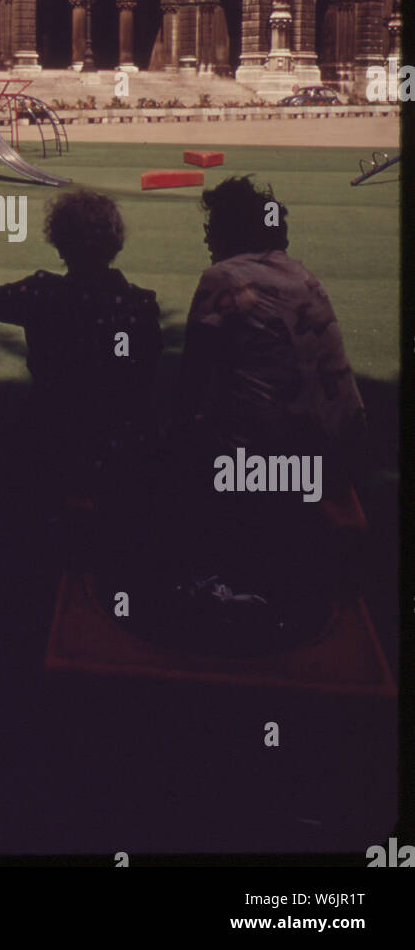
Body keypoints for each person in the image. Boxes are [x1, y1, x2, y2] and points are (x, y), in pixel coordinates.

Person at [172, 175, 367, 618]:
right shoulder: (299, 270)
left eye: (212, 225)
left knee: (181, 457)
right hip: (341, 449)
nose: (206, 235)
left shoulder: (223, 278)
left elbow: (192, 382)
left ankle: (211, 581)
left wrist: (178, 441)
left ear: (229, 231)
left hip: (275, 460)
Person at [0, 189, 162, 526]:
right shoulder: (141, 304)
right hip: (117, 436)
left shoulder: (42, 293)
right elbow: (147, 373)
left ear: (61, 244)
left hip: (51, 431)